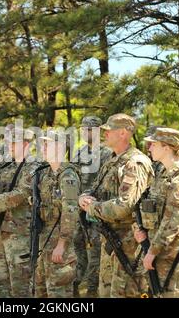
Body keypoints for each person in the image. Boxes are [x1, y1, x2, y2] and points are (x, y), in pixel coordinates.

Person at [79, 113, 153, 298]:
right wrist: (83, 198)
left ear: (122, 133)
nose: (104, 134)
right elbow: (92, 190)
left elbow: (125, 205)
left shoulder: (134, 162)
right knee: (105, 292)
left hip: (129, 244)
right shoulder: (111, 161)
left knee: (127, 292)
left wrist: (93, 207)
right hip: (110, 239)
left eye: (108, 131)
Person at [134, 127, 179, 297]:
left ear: (167, 147)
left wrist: (152, 251)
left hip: (172, 255)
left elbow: (174, 221)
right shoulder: (163, 174)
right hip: (156, 251)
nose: (149, 148)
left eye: (153, 144)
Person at [0, 129, 38, 297]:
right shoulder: (4, 166)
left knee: (21, 284)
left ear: (26, 144)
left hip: (20, 233)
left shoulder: (34, 167)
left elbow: (21, 193)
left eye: (13, 143)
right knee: (1, 281)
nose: (9, 146)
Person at [33, 130, 80, 297]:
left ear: (60, 147)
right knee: (41, 292)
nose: (43, 147)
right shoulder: (45, 175)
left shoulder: (67, 176)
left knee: (58, 293)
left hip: (59, 244)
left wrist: (62, 243)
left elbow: (70, 212)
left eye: (48, 144)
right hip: (43, 242)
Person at [73, 116, 112, 297]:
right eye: (83, 129)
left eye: (88, 129)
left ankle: (92, 291)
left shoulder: (107, 153)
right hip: (79, 210)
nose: (85, 132)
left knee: (96, 251)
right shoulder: (79, 153)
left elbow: (109, 183)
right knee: (77, 248)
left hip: (97, 210)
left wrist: (92, 202)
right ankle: (76, 284)